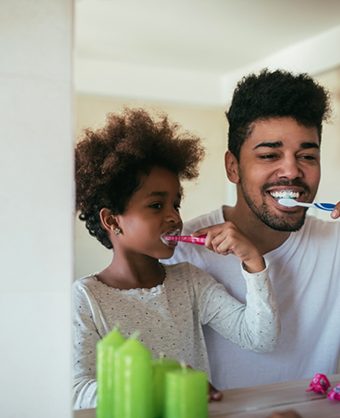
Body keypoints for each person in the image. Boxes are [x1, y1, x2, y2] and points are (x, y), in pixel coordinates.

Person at [72, 107, 280, 409]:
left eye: (176, 204)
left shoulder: (190, 281)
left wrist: (253, 262)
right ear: (112, 221)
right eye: (157, 205)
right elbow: (78, 393)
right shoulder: (86, 297)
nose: (174, 217)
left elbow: (261, 339)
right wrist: (163, 387)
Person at [163, 69, 340, 390]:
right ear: (233, 167)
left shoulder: (336, 244)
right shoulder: (181, 250)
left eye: (307, 155)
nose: (291, 170)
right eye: (270, 155)